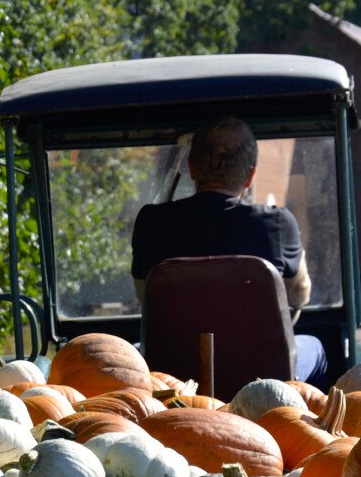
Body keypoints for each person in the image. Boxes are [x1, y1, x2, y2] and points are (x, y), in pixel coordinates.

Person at [130, 116, 329, 388]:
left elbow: (145, 296)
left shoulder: (152, 222)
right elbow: (299, 294)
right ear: (251, 175)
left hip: (172, 379)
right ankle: (299, 422)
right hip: (263, 380)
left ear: (191, 168)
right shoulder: (276, 223)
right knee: (316, 347)